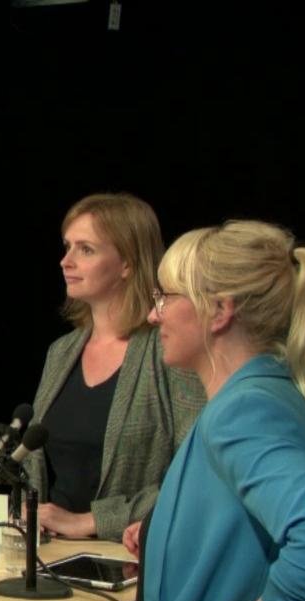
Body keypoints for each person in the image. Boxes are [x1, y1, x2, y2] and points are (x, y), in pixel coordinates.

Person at [137, 220, 305, 601]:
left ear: (219, 310)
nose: (152, 314)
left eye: (165, 297)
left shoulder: (242, 412)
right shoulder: (287, 399)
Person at [22, 193, 207, 541]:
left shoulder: (170, 350)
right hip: (52, 553)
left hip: (129, 556)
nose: (65, 261)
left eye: (86, 250)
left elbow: (198, 475)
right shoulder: (61, 352)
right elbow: (36, 467)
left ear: (128, 263)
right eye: (67, 247)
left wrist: (90, 521)